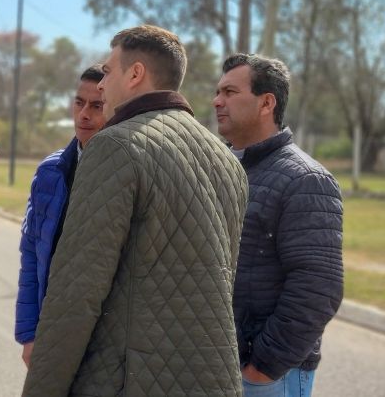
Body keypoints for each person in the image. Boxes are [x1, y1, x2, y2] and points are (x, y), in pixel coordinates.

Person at [23, 25, 249, 396]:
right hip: (213, 381)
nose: (100, 86)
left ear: (135, 74)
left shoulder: (116, 145)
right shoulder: (225, 158)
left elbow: (76, 292)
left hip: (129, 379)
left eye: (108, 72)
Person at [213, 53, 343, 397]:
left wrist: (261, 369)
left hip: (267, 377)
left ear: (266, 102)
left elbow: (319, 287)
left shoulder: (306, 179)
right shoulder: (224, 169)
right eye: (218, 92)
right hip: (219, 363)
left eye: (229, 92)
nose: (217, 101)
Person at [14, 65, 106, 367]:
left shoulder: (129, 173)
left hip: (105, 343)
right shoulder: (50, 172)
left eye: (97, 106)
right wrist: (29, 334)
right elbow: (31, 253)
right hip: (51, 330)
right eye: (79, 103)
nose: (84, 114)